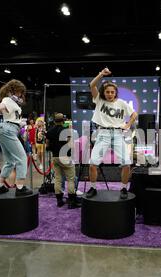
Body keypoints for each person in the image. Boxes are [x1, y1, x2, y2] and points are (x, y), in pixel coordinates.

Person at [86, 68, 138, 199]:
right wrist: (101, 74)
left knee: (126, 163)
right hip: (102, 133)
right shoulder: (99, 100)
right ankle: (93, 187)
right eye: (107, 92)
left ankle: (124, 189)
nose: (109, 94)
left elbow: (134, 114)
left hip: (118, 134)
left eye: (112, 92)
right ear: (104, 92)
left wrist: (127, 125)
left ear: (115, 93)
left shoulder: (122, 103)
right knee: (92, 163)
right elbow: (92, 85)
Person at [0, 79, 33, 196]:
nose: (21, 94)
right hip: (8, 129)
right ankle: (20, 188)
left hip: (6, 129)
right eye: (20, 92)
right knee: (22, 158)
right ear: (13, 90)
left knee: (10, 161)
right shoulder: (8, 100)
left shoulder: (14, 103)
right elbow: (0, 105)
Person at [45, 113, 81, 209]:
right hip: (65, 157)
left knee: (58, 178)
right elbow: (71, 144)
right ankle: (72, 201)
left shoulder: (49, 131)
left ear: (54, 120)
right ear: (63, 120)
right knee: (70, 179)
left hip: (55, 157)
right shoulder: (66, 131)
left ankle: (59, 201)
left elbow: (47, 145)